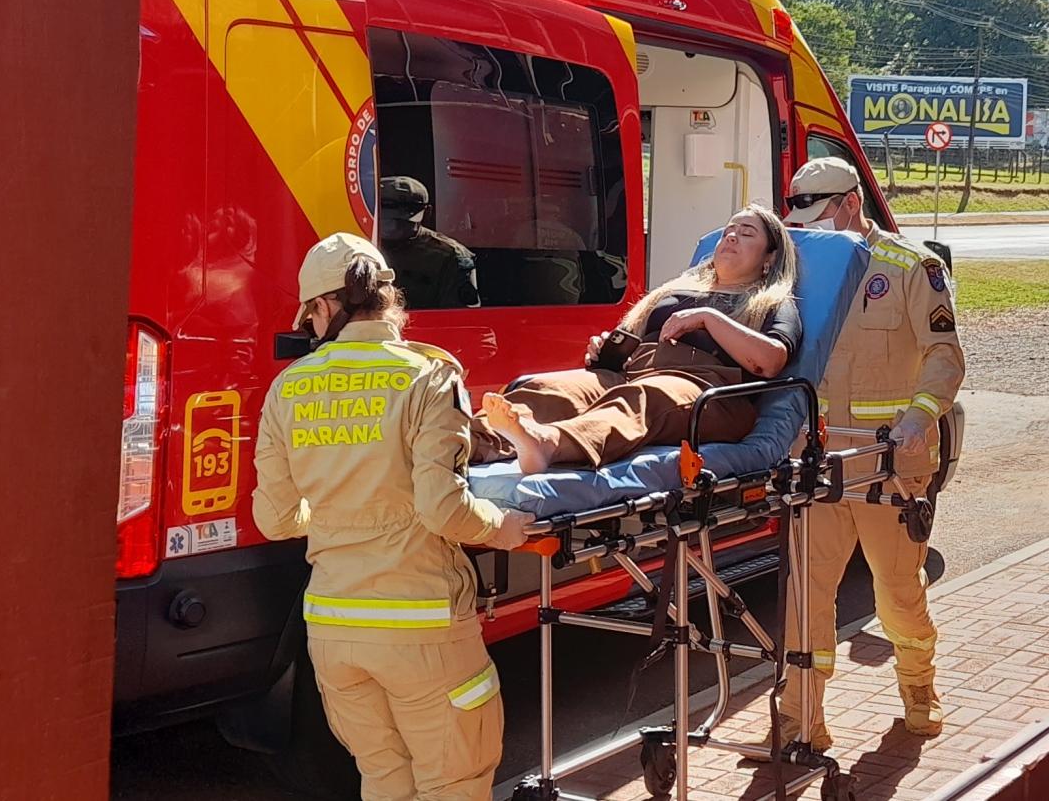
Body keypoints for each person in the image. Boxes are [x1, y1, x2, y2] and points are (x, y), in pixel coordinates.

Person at [252, 232, 532, 801]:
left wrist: (344, 512)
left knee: (383, 778)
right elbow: (443, 508)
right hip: (422, 623)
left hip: (332, 630)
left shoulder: (288, 386)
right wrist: (502, 528)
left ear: (324, 307)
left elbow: (277, 519)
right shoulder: (428, 376)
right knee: (453, 782)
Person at [776, 156, 963, 750]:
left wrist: (919, 416)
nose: (806, 228)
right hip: (819, 462)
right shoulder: (801, 272)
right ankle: (801, 716)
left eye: (817, 212)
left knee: (897, 592)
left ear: (850, 204)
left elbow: (943, 354)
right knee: (806, 591)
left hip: (889, 465)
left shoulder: (911, 268)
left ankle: (918, 689)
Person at [471, 203, 801, 474]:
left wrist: (709, 319)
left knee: (644, 397)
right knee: (548, 388)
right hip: (634, 372)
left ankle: (550, 443)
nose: (731, 237)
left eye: (746, 233)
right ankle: (471, 442)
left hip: (709, 391)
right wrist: (606, 347)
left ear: (769, 258)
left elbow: (769, 362)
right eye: (729, 230)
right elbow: (630, 339)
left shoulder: (771, 302)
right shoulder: (676, 290)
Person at [379, 176, 482, 310]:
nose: (394, 227)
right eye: (388, 221)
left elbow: (461, 320)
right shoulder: (359, 247)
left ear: (427, 213)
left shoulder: (451, 257)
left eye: (403, 222)